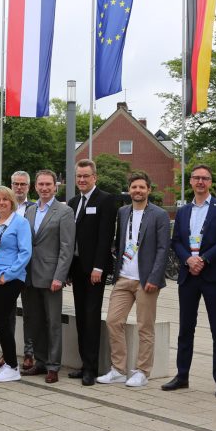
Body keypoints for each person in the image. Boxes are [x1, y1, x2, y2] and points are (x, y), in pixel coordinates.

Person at [162, 164, 216, 399]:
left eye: (205, 178)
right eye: (196, 178)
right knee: (186, 328)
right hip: (188, 275)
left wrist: (202, 259)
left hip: (212, 276)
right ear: (191, 182)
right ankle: (182, 375)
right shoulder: (183, 211)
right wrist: (188, 260)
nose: (201, 182)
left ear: (210, 182)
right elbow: (176, 241)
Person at [97, 172, 169, 388]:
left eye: (142, 187)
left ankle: (142, 371)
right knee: (113, 321)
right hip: (123, 278)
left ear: (149, 190)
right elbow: (120, 242)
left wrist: (155, 277)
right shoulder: (122, 212)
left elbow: (163, 248)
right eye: (134, 187)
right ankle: (118, 369)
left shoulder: (159, 214)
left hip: (146, 280)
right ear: (129, 190)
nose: (137, 191)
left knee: (145, 327)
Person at [67, 159, 117, 386]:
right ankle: (83, 363)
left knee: (91, 317)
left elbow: (105, 236)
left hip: (94, 271)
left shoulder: (105, 201)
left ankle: (91, 367)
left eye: (86, 176)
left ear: (94, 177)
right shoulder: (73, 201)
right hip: (76, 268)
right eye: (79, 176)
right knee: (80, 317)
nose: (82, 180)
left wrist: (99, 267)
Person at [21, 170, 74, 384]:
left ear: (55, 186)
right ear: (35, 187)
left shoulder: (64, 211)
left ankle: (53, 366)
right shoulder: (30, 211)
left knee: (52, 323)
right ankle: (41, 361)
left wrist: (59, 276)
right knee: (34, 321)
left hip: (51, 276)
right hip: (29, 276)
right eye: (40, 184)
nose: (44, 188)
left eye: (48, 184)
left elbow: (67, 247)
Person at [0, 186, 33, 382]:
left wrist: (8, 275)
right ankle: (9, 363)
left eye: (5, 199)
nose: (1, 202)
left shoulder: (20, 223)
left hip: (9, 279)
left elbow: (25, 253)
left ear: (12, 201)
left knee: (2, 321)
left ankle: (12, 366)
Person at [0, 170, 36, 370]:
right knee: (6, 314)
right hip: (4, 274)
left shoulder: (35, 209)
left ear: (28, 186)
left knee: (29, 312)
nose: (19, 187)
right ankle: (7, 353)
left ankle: (29, 353)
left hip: (27, 271)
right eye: (15, 184)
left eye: (23, 184)